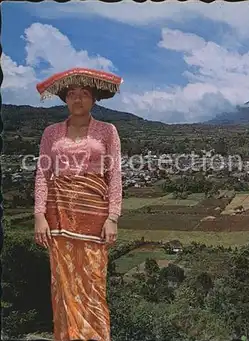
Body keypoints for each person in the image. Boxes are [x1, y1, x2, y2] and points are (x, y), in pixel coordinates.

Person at [33, 67, 123, 341]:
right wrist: (39, 215)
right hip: (58, 216)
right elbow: (43, 173)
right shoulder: (51, 133)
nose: (78, 99)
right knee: (64, 285)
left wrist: (113, 217)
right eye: (72, 94)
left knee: (93, 284)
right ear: (65, 100)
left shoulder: (107, 131)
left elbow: (115, 174)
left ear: (94, 99)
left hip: (94, 218)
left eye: (84, 94)